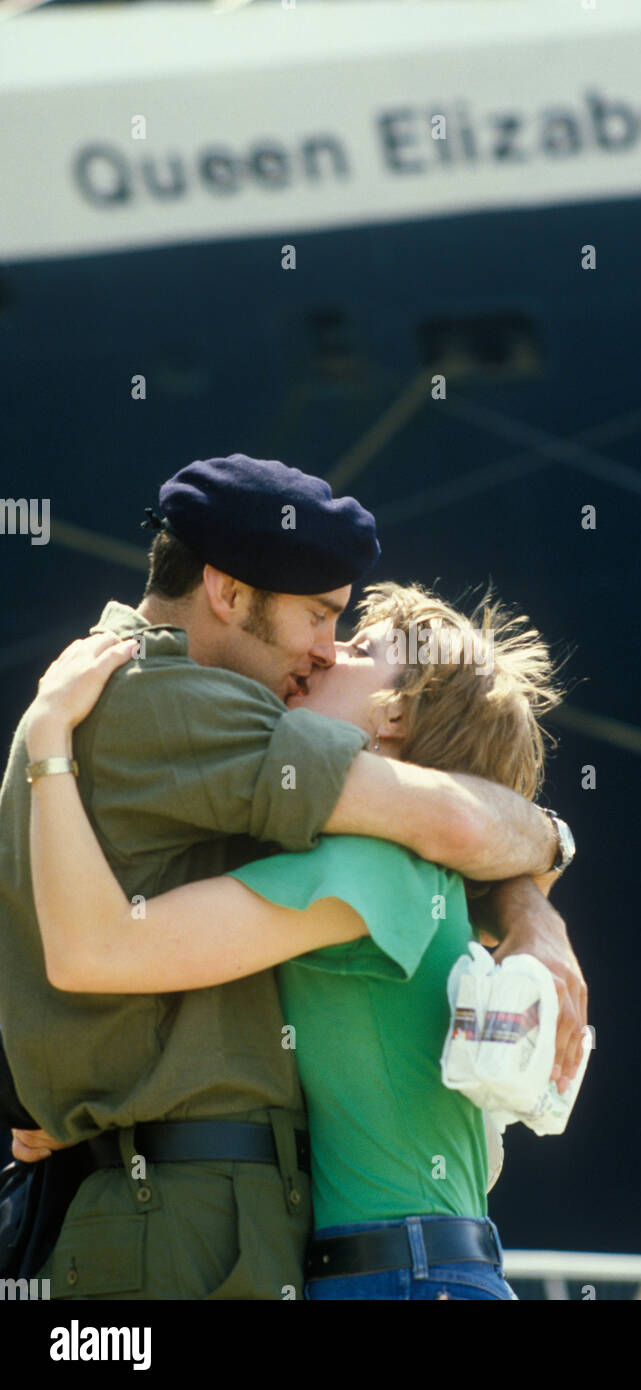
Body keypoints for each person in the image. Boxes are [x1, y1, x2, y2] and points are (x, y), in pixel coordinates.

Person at [1, 452, 586, 1300]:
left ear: (391, 723)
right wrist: (546, 859)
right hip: (241, 1228)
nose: (324, 651)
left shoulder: (355, 858)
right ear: (228, 594)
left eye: (348, 637)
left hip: (338, 1252)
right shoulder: (171, 700)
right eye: (321, 618)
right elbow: (454, 821)